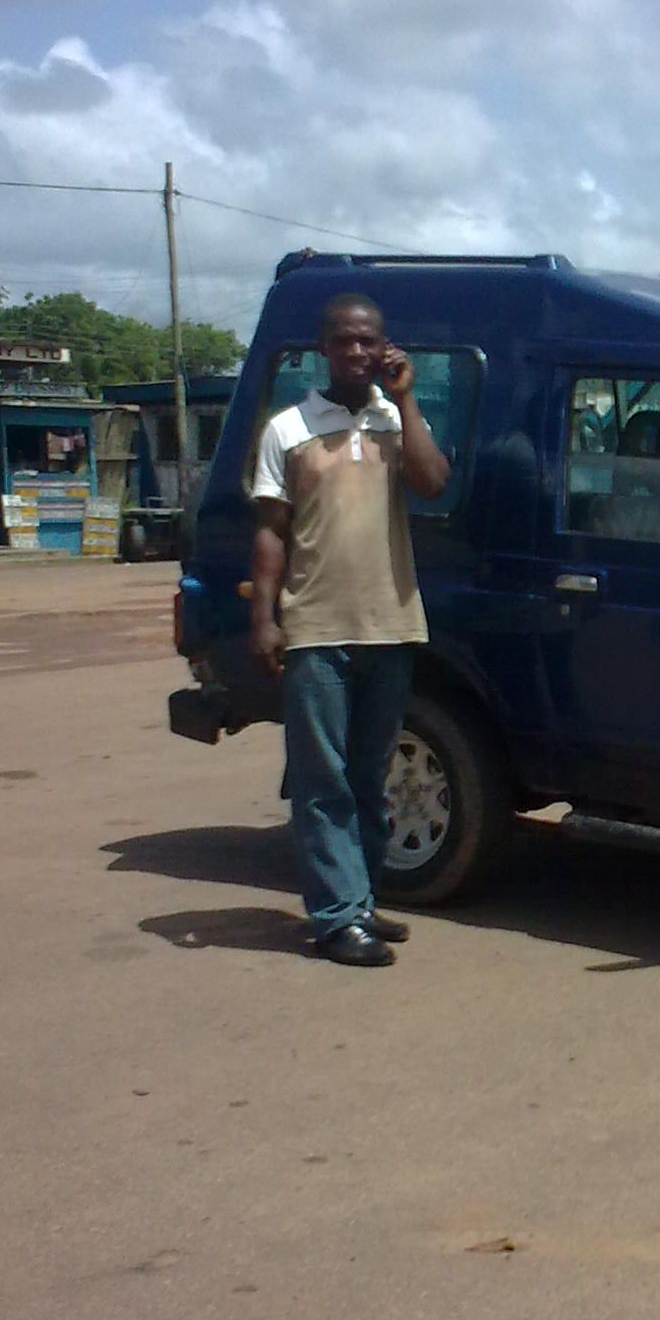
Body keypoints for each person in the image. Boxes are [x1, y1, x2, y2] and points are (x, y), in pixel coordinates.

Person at [249, 293, 450, 967]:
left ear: (386, 346)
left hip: (390, 625)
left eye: (369, 340)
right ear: (323, 348)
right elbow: (271, 532)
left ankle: (360, 903)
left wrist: (409, 400)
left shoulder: (398, 421)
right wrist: (265, 619)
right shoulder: (289, 427)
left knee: (369, 777)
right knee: (323, 780)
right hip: (315, 629)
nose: (358, 352)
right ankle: (335, 919)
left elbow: (432, 482)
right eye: (344, 341)